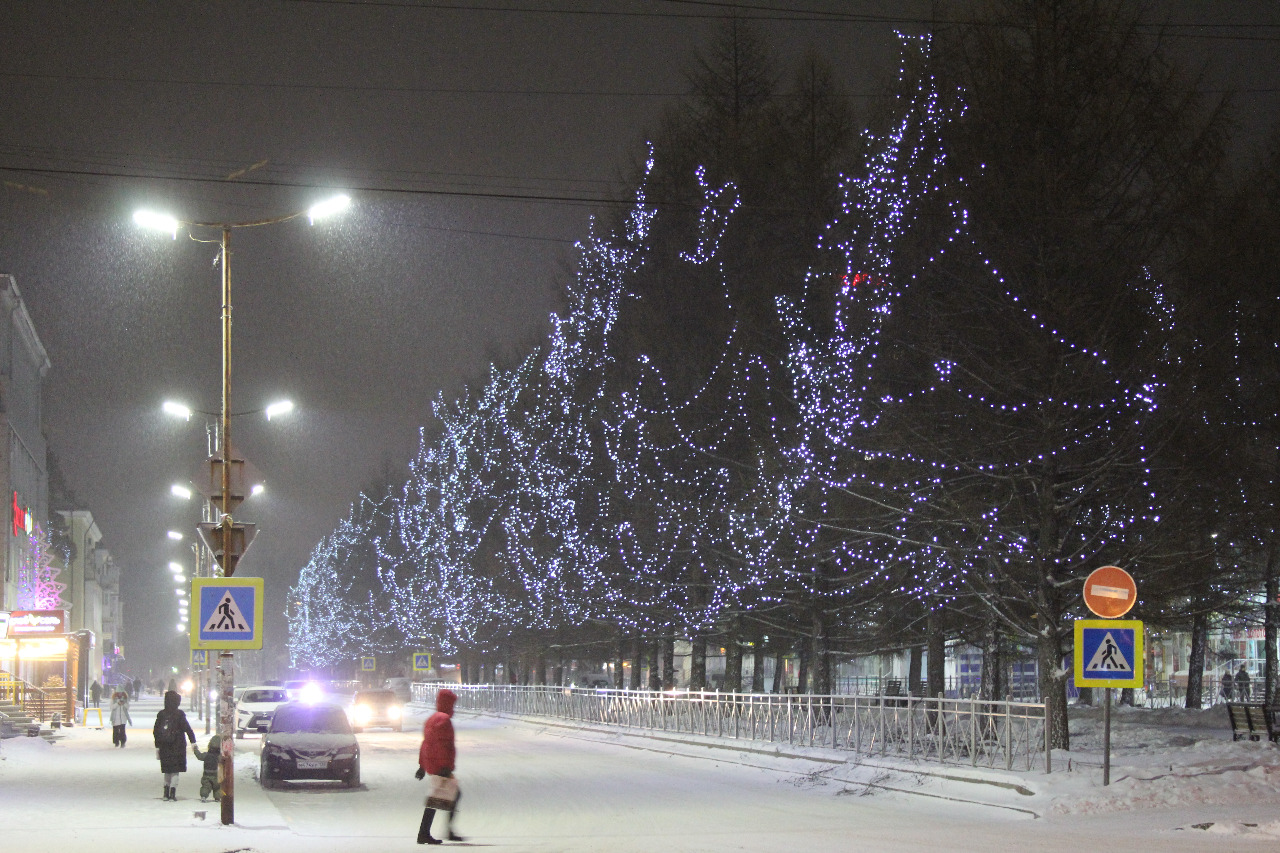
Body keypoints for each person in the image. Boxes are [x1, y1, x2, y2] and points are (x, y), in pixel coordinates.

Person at [415, 689, 464, 845]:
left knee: (440, 797)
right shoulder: (444, 720)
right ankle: (427, 833)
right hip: (441, 766)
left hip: (433, 764)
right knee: (444, 797)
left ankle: (434, 832)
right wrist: (445, 767)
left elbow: (426, 744)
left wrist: (422, 766)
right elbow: (443, 746)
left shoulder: (432, 719)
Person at [153, 690, 197, 801]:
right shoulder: (179, 714)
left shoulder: (161, 714)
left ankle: (165, 793)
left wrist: (157, 746)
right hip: (178, 746)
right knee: (175, 771)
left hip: (164, 747)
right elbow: (187, 729)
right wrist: (193, 742)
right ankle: (172, 793)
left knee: (167, 770)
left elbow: (156, 731)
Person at [191, 735, 223, 802]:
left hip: (207, 774)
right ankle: (217, 797)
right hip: (217, 775)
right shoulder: (219, 756)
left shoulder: (206, 755)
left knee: (206, 786)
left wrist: (195, 749)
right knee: (217, 787)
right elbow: (224, 761)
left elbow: (199, 756)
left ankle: (203, 796)